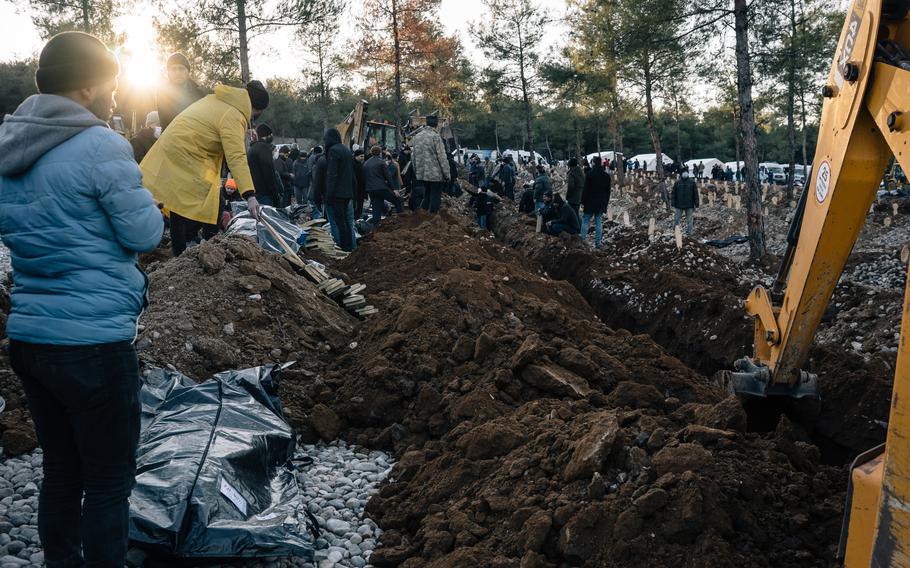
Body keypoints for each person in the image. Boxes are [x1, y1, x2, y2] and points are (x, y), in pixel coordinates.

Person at [0, 31, 164, 567]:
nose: (117, 97)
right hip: (94, 343)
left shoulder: (9, 147)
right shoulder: (99, 145)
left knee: (62, 473)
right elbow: (143, 234)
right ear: (90, 88)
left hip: (30, 335)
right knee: (110, 480)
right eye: (113, 87)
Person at [142, 80, 268, 256]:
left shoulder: (220, 101)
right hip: (188, 153)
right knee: (207, 203)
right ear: (257, 108)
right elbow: (236, 157)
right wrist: (250, 195)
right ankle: (203, 250)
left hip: (180, 150)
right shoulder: (235, 114)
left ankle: (183, 249)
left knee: (181, 204)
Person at [322, 127, 356, 251]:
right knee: (347, 222)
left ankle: (343, 247)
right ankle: (350, 246)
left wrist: (328, 195)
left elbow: (332, 175)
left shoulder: (333, 151)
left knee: (339, 222)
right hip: (347, 193)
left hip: (337, 194)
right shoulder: (346, 150)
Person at [411, 115, 451, 213]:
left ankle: (422, 215)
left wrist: (417, 171)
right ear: (437, 124)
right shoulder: (435, 136)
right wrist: (447, 174)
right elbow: (442, 157)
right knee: (435, 197)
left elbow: (413, 157)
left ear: (426, 123)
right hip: (436, 174)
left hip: (422, 174)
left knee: (427, 195)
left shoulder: (417, 136)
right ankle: (433, 219)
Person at [156, 52, 206, 131]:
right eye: (173, 69)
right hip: (174, 138)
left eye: (181, 68)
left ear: (188, 71)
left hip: (197, 137)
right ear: (168, 73)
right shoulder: (162, 95)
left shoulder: (200, 93)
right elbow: (165, 124)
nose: (177, 72)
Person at [364, 145, 403, 226]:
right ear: (380, 153)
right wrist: (394, 190)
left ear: (371, 153)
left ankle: (376, 228)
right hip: (381, 188)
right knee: (398, 200)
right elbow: (388, 176)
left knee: (376, 210)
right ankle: (402, 221)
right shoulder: (381, 162)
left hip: (371, 189)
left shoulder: (366, 163)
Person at [247, 123, 281, 208]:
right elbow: (269, 173)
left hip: (255, 191)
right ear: (266, 136)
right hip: (265, 194)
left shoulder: (252, 148)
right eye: (271, 135)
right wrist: (274, 194)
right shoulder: (263, 148)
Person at [581, 155, 611, 249]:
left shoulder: (589, 174)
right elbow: (608, 192)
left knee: (585, 220)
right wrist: (606, 203)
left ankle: (583, 240)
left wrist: (583, 201)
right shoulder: (606, 176)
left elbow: (585, 190)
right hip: (601, 202)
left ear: (593, 163)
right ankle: (598, 243)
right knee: (598, 222)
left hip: (590, 201)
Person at [672, 170, 699, 236]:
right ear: (681, 174)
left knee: (689, 220)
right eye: (683, 172)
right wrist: (673, 204)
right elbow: (673, 194)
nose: (685, 173)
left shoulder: (692, 182)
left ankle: (689, 233)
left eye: (686, 172)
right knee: (676, 219)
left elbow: (695, 194)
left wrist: (697, 204)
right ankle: (675, 232)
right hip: (679, 204)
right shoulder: (677, 182)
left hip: (689, 204)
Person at [305, 145, 324, 217]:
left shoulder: (311, 158)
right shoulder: (316, 166)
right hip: (316, 189)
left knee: (313, 203)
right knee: (317, 206)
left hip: (313, 186)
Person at [352, 148, 367, 220]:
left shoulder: (360, 164)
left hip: (360, 190)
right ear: (356, 156)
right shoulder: (354, 165)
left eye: (363, 156)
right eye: (361, 156)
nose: (363, 158)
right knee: (356, 208)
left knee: (359, 208)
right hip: (355, 191)